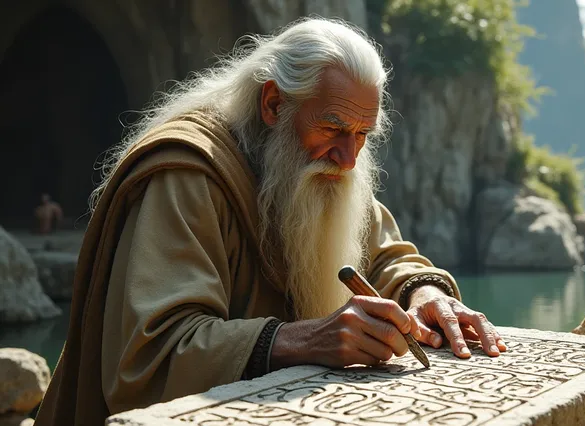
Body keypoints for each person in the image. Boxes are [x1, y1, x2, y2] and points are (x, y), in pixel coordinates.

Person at [35, 17, 507, 426]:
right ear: (274, 105)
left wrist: (423, 293)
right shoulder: (186, 175)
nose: (348, 158)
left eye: (364, 134)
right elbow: (152, 356)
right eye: (335, 129)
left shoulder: (325, 164)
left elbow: (381, 252)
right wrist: (302, 339)